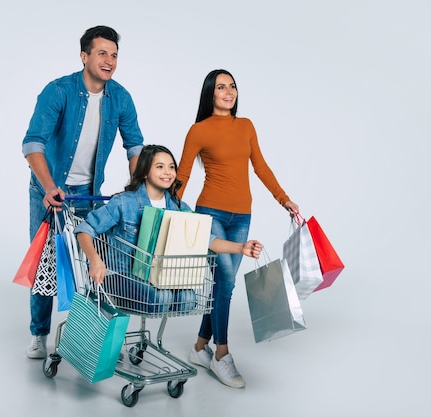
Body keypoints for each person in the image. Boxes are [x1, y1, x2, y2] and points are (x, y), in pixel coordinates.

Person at [21, 25, 145, 359]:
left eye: (115, 55)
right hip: (48, 190)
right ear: (84, 56)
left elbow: (135, 147)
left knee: (93, 263)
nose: (109, 61)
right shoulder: (58, 91)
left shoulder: (120, 97)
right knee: (48, 261)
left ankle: (91, 335)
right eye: (102, 53)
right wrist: (49, 187)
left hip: (90, 195)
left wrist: (136, 191)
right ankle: (39, 333)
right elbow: (33, 143)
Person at [176, 69, 299, 388]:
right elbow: (184, 173)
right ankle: (222, 354)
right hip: (211, 213)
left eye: (232, 86)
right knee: (226, 282)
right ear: (210, 94)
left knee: (221, 283)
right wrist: (168, 209)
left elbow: (260, 166)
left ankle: (200, 347)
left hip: (242, 216)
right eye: (221, 87)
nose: (229, 91)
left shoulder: (246, 126)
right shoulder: (198, 130)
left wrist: (284, 200)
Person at [74, 145, 263, 313]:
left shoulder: (179, 207)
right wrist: (95, 260)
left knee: (189, 300)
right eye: (160, 167)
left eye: (172, 167)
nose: (168, 172)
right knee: (161, 299)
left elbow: (207, 239)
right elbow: (85, 229)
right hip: (122, 276)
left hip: (162, 279)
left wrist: (241, 248)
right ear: (145, 172)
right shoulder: (124, 202)